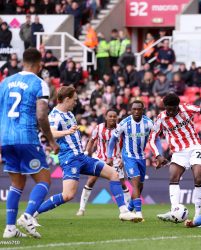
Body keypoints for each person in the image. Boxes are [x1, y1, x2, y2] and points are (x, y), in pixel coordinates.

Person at [34, 86, 138, 224]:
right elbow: (51, 132)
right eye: (74, 100)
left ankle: (124, 212)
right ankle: (32, 213)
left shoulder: (70, 114)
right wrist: (67, 132)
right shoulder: (55, 115)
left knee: (114, 174)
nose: (76, 103)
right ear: (66, 99)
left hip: (82, 157)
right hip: (70, 159)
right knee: (68, 195)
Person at [0, 48, 59, 238]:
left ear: (23, 62)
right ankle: (27, 216)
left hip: (6, 138)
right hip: (26, 137)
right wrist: (51, 140)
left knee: (16, 183)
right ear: (40, 64)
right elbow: (42, 116)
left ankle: (10, 228)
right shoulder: (39, 84)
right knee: (44, 180)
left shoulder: (4, 83)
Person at [148, 93, 201, 225]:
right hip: (178, 152)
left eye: (173, 108)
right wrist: (158, 155)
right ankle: (174, 210)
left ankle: (198, 216)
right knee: (173, 177)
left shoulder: (187, 108)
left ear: (178, 106)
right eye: (168, 109)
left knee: (198, 178)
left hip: (195, 147)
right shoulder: (161, 118)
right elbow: (151, 138)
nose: (171, 112)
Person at [76, 109, 131, 216]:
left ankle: (128, 209)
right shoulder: (99, 128)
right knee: (91, 180)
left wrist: (123, 160)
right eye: (110, 116)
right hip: (99, 158)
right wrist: (87, 154)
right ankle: (81, 209)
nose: (112, 118)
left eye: (114, 116)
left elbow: (127, 146)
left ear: (117, 118)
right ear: (106, 117)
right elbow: (91, 141)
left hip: (116, 159)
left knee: (122, 184)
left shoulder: (121, 129)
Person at [107, 100, 154, 221]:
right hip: (128, 156)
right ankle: (139, 213)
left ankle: (128, 210)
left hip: (141, 157)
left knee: (139, 187)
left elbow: (157, 139)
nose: (137, 111)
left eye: (139, 109)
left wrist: (158, 154)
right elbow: (112, 140)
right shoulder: (124, 123)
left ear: (143, 110)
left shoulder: (148, 123)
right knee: (136, 182)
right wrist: (109, 156)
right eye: (134, 109)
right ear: (131, 110)